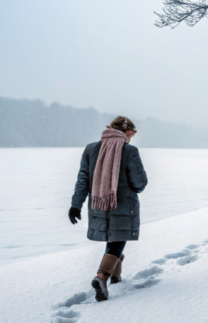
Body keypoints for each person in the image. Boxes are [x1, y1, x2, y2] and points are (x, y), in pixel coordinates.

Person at [69, 116, 148, 302]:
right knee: (118, 239)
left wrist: (75, 204)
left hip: (99, 204)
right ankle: (102, 277)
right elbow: (140, 183)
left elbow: (83, 180)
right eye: (133, 133)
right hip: (122, 205)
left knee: (115, 239)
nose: (133, 137)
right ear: (127, 131)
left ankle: (115, 275)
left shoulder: (91, 149)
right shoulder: (129, 151)